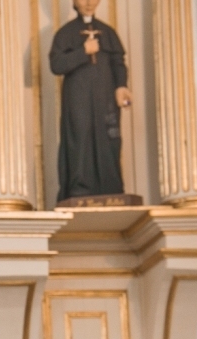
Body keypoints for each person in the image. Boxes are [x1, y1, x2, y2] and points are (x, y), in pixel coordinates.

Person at [49, 0, 132, 201]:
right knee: (80, 139)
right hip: (78, 98)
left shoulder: (108, 32)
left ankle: (111, 186)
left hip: (105, 98)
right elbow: (56, 64)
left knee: (109, 140)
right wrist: (83, 52)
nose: (89, 3)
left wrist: (121, 86)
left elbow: (118, 63)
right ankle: (80, 188)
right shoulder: (65, 33)